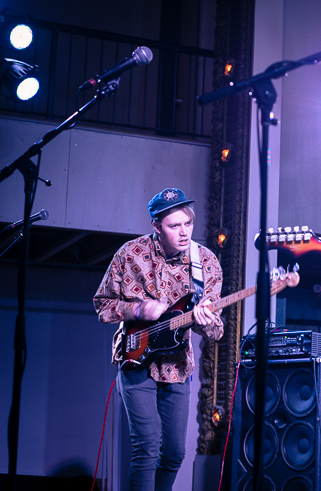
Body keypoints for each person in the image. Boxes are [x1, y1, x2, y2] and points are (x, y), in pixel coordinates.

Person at [94, 188, 223, 491]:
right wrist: (137, 309)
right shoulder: (130, 253)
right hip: (135, 358)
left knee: (175, 453)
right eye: (174, 226)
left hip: (176, 365)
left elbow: (216, 331)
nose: (184, 232)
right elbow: (102, 305)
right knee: (147, 448)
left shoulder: (205, 262)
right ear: (156, 226)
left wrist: (205, 322)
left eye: (188, 224)